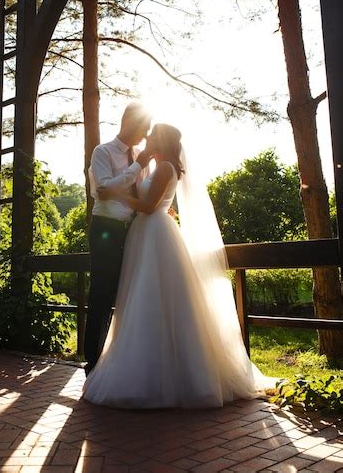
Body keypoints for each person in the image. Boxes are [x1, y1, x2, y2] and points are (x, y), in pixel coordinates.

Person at [83, 123, 275, 408]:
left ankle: (166, 375)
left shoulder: (164, 168)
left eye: (152, 136)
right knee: (145, 298)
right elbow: (155, 200)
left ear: (161, 142)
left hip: (154, 231)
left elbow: (148, 206)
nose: (146, 139)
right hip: (147, 232)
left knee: (154, 295)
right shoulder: (157, 167)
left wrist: (115, 194)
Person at [84, 102, 152, 376]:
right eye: (144, 128)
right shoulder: (103, 152)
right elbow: (103, 190)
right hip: (106, 230)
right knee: (102, 293)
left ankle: (121, 359)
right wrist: (136, 167)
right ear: (129, 123)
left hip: (134, 231)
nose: (146, 135)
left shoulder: (140, 158)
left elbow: (138, 195)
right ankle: (93, 363)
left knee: (130, 294)